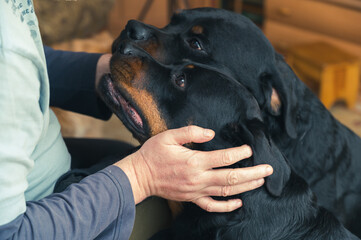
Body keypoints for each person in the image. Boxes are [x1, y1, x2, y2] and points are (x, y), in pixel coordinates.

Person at [0, 1, 273, 239]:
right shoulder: (6, 46)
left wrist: (108, 72)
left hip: (40, 157)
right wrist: (143, 176)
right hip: (45, 212)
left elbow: (27, 64)